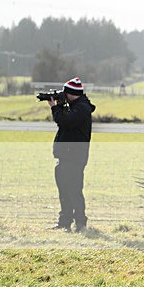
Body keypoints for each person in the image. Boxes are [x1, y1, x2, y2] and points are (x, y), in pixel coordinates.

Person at [48, 77, 96, 232]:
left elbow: (65, 122)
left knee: (74, 190)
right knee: (64, 190)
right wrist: (61, 105)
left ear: (71, 93)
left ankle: (80, 223)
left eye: (65, 93)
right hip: (66, 156)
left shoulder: (81, 108)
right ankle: (65, 222)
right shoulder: (76, 107)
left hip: (74, 157)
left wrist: (55, 107)